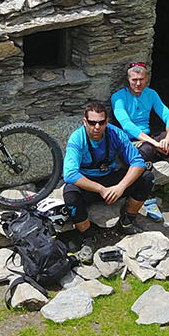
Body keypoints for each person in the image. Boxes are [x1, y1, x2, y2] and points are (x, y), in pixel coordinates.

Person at [111, 62, 169, 209]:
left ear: (146, 78)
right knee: (146, 150)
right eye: (134, 80)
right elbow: (127, 126)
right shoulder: (118, 97)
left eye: (141, 79)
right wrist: (156, 144)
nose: (138, 83)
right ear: (128, 79)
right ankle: (147, 196)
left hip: (150, 138)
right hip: (130, 142)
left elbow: (167, 116)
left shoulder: (151, 94)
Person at [60, 99, 153, 239]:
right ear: (84, 122)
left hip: (111, 179)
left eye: (101, 122)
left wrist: (120, 187)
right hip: (88, 183)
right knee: (70, 195)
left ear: (107, 121)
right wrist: (101, 190)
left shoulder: (115, 133)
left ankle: (127, 222)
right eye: (92, 123)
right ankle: (88, 237)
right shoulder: (77, 138)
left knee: (147, 177)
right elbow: (70, 174)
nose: (97, 127)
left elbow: (138, 162)